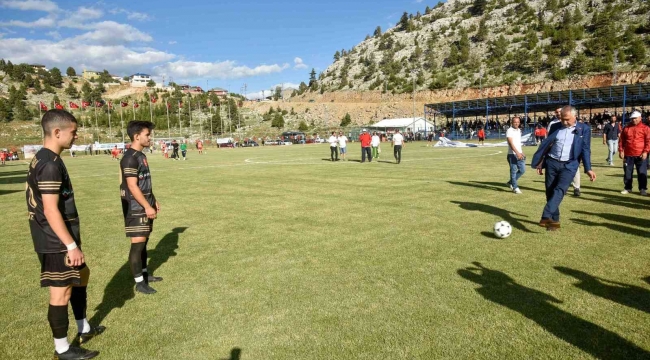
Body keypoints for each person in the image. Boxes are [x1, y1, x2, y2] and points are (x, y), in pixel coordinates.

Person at [26, 110, 103, 359]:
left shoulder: (47, 158)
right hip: (55, 240)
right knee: (61, 292)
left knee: (82, 274)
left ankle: (84, 326)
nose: (76, 136)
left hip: (59, 235)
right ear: (57, 132)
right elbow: (49, 209)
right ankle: (62, 348)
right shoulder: (49, 164)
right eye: (73, 131)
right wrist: (70, 245)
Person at [531, 106, 596, 231]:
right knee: (550, 192)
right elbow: (548, 145)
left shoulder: (584, 129)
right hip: (552, 162)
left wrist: (588, 169)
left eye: (567, 120)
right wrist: (541, 162)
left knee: (560, 189)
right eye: (562, 119)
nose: (564, 122)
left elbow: (586, 149)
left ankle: (546, 214)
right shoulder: (555, 126)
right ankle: (554, 222)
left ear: (574, 116)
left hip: (570, 165)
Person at [120, 121, 162, 295]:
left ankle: (144, 274)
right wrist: (146, 206)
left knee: (144, 242)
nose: (149, 137)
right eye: (147, 134)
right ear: (137, 136)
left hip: (145, 204)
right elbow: (132, 186)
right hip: (136, 208)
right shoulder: (129, 157)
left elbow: (144, 183)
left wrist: (153, 200)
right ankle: (139, 283)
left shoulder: (141, 155)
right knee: (137, 244)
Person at [618, 111, 650, 195]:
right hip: (628, 154)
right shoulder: (626, 128)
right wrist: (621, 150)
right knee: (627, 173)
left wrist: (645, 152)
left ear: (640, 118)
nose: (633, 120)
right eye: (632, 118)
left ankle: (642, 189)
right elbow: (621, 140)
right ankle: (628, 188)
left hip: (640, 154)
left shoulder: (645, 128)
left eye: (635, 118)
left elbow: (648, 141)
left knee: (642, 172)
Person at [506, 117, 526, 194]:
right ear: (512, 122)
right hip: (512, 154)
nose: (517, 123)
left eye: (518, 122)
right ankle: (515, 187)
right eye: (515, 122)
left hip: (519, 153)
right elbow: (511, 143)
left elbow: (518, 143)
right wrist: (517, 153)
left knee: (522, 170)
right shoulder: (509, 131)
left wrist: (521, 152)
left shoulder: (519, 130)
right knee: (513, 171)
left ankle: (510, 182)